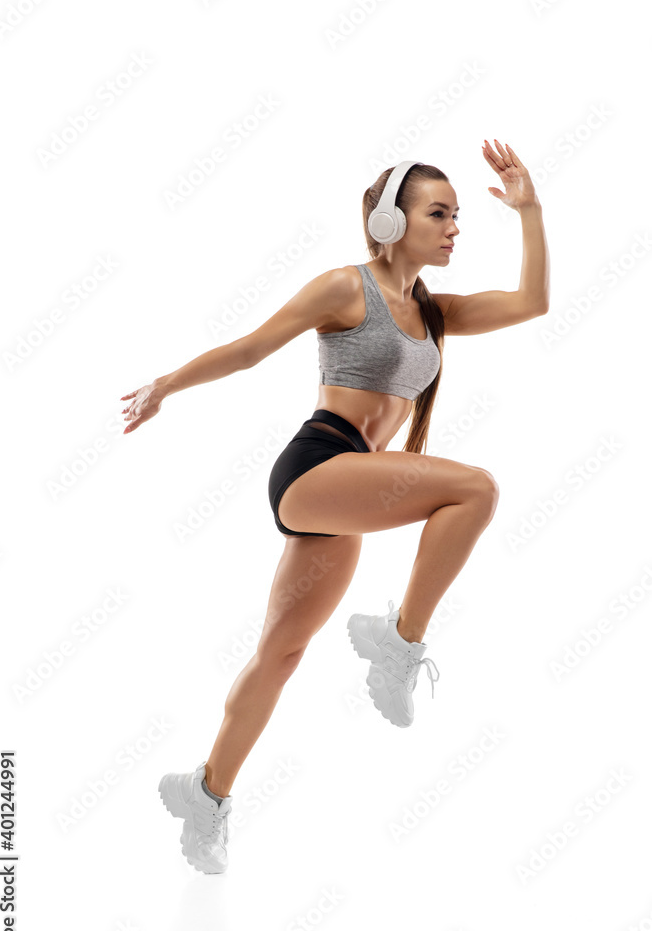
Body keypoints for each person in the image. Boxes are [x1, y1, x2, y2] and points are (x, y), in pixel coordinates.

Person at [120, 141, 549, 875]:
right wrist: (167, 383)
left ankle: (206, 794)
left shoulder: (434, 312)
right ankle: (399, 643)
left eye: (456, 216)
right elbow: (253, 349)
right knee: (474, 487)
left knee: (279, 654)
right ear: (389, 222)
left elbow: (530, 302)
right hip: (319, 464)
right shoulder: (345, 289)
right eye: (437, 213)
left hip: (352, 484)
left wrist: (530, 210)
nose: (453, 227)